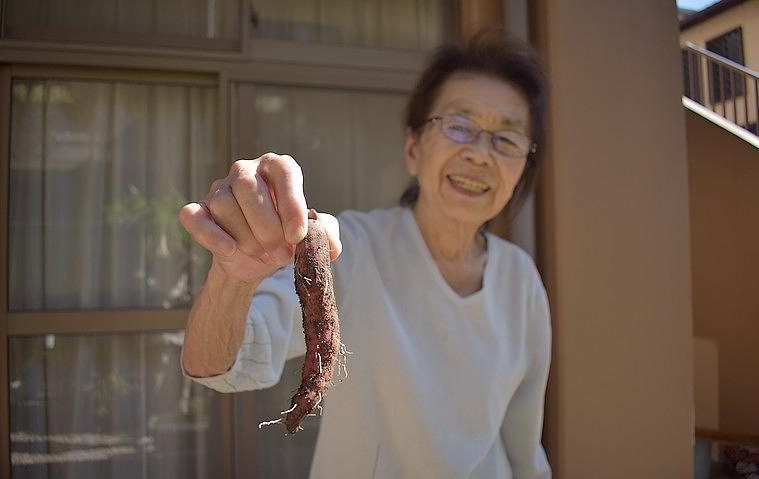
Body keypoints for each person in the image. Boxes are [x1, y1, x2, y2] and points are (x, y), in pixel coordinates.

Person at [179, 28, 551, 479]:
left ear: (522, 170)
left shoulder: (521, 280)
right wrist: (233, 277)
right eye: (459, 125)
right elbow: (219, 366)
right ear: (413, 148)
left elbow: (523, 446)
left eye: (506, 139)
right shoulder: (351, 248)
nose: (479, 154)